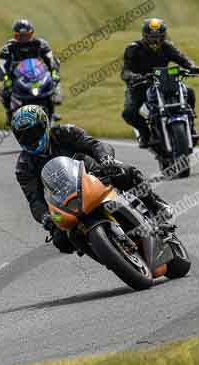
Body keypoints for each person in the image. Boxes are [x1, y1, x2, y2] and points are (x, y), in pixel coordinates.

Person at [11, 104, 174, 255]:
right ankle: (104, 251)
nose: (30, 139)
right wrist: (45, 217)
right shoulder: (24, 166)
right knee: (61, 241)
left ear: (45, 125)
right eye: (24, 136)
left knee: (126, 172)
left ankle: (156, 206)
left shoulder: (65, 133)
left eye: (33, 132)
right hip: (66, 201)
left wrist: (105, 159)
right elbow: (34, 200)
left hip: (94, 176)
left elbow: (95, 145)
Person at [121, 18, 199, 148]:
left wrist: (192, 67)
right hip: (140, 86)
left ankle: (191, 127)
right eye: (151, 37)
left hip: (164, 82)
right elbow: (125, 71)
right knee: (129, 113)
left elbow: (182, 59)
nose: (155, 40)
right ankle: (145, 133)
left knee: (190, 93)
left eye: (159, 37)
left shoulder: (167, 47)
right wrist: (134, 77)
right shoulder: (133, 49)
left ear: (163, 36)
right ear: (144, 35)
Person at [0, 19, 60, 125]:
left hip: (37, 74)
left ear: (31, 34)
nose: (23, 39)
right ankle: (9, 113)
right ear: (15, 36)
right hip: (16, 76)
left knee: (52, 82)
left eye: (26, 36)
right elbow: (2, 66)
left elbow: (51, 60)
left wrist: (54, 72)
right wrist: (6, 78)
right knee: (4, 91)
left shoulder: (40, 44)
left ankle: (52, 111)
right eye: (20, 36)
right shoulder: (8, 48)